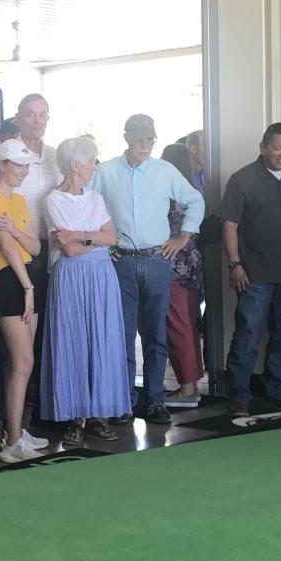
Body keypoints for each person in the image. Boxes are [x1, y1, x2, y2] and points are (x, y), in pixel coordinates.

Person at [91, 114, 204, 426]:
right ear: (126, 137)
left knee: (156, 334)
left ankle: (153, 400)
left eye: (150, 139)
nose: (145, 144)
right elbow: (87, 204)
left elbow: (195, 202)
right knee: (123, 335)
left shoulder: (164, 170)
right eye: (139, 138)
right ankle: (124, 402)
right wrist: (102, 245)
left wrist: (182, 237)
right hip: (121, 261)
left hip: (157, 260)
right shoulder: (106, 171)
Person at [221, 123, 281, 416]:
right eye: (278, 148)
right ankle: (238, 394)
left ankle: (278, 391)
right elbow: (229, 225)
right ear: (263, 147)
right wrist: (235, 263)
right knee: (248, 333)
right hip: (254, 272)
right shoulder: (242, 179)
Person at [42, 137, 127, 444]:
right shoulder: (53, 200)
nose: (95, 165)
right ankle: (76, 416)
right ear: (76, 165)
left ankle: (97, 414)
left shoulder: (95, 197)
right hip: (72, 277)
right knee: (75, 340)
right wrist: (93, 238)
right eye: (92, 159)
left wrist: (81, 235)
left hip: (101, 275)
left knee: (102, 340)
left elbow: (112, 236)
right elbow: (68, 249)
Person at [0, 141, 43, 462]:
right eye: (18, 165)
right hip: (8, 280)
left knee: (24, 363)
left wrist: (17, 231)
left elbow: (35, 245)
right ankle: (13, 441)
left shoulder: (16, 200)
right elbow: (6, 249)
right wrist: (28, 288)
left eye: (26, 166)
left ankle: (15, 431)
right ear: (1, 164)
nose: (23, 171)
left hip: (24, 276)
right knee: (22, 362)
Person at [159, 143, 205, 409]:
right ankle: (191, 381)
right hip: (191, 263)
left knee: (177, 325)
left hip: (172, 262)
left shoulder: (170, 195)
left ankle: (187, 387)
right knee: (187, 322)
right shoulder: (192, 190)